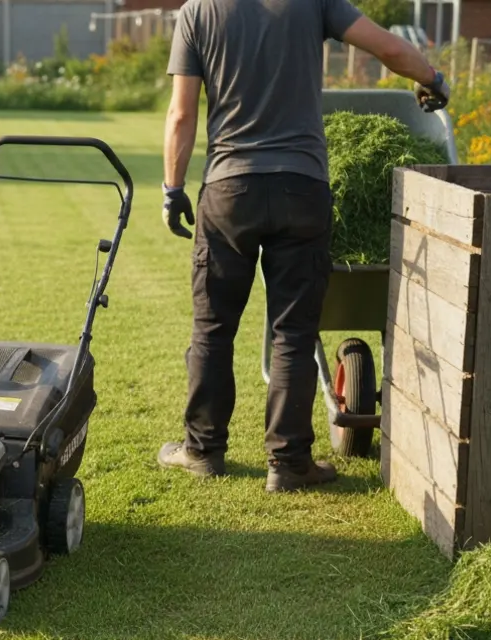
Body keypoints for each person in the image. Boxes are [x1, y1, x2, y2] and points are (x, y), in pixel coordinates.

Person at [155, 0, 449, 492]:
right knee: (292, 330)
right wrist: (432, 79)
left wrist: (172, 189)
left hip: (230, 191)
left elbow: (182, 112)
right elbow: (390, 48)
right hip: (301, 188)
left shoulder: (197, 12)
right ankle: (288, 464)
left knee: (213, 327)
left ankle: (202, 451)